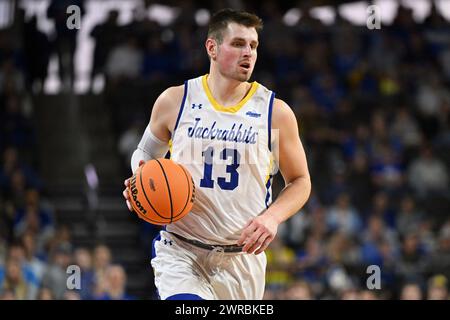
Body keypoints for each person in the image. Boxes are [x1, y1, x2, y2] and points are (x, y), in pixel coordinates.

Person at [122, 8, 311, 300]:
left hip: (242, 258)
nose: (248, 52)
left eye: (253, 45)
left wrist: (272, 218)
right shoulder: (176, 100)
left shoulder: (275, 113)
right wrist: (140, 180)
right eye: (238, 43)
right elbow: (145, 152)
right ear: (212, 47)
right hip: (182, 249)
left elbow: (300, 181)